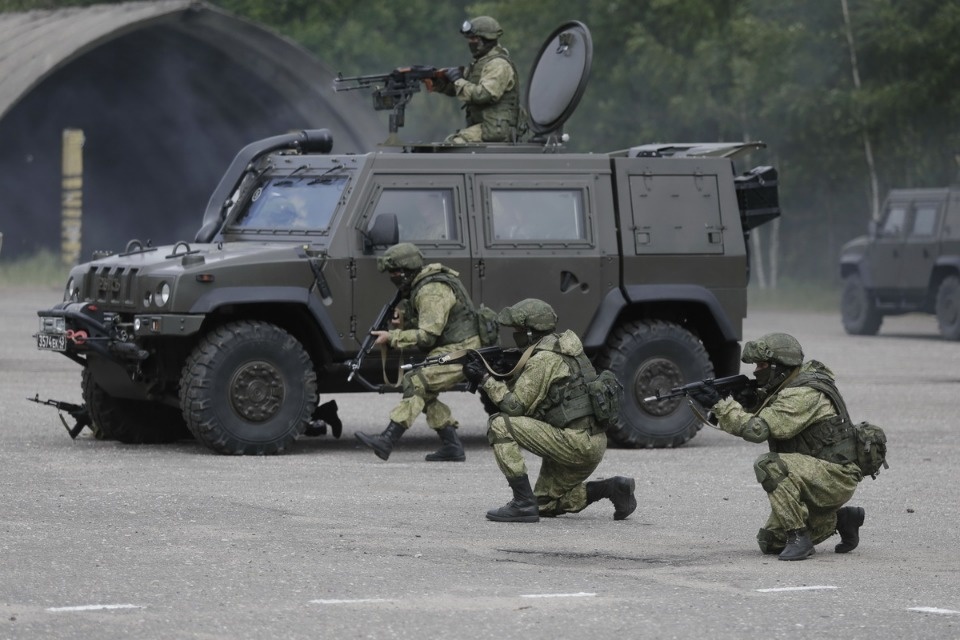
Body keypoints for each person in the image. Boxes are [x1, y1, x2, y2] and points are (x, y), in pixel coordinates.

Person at [688, 333, 867, 561]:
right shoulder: (787, 385)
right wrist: (750, 401)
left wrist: (720, 405)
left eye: (762, 365)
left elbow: (757, 430)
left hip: (834, 476)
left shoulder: (803, 394)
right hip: (812, 472)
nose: (756, 371)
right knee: (770, 542)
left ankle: (798, 537)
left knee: (769, 465)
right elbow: (771, 414)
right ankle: (843, 520)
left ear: (779, 366)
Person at [462, 298, 636, 523]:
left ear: (530, 331)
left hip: (575, 442)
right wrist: (506, 373)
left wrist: (486, 379)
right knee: (545, 504)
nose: (515, 334)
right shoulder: (564, 348)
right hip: (590, 441)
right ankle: (613, 488)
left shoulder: (543, 359)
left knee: (500, 424)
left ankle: (522, 504)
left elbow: (514, 408)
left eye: (518, 330)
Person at [355, 243, 482, 462]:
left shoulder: (431, 291)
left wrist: (392, 337)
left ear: (407, 270)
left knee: (416, 381)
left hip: (463, 350)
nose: (392, 277)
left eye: (395, 272)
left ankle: (387, 439)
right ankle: (452, 445)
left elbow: (427, 336)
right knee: (425, 391)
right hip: (453, 347)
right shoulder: (420, 286)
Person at [432, 16, 521, 144]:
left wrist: (458, 80)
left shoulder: (498, 64)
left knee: (453, 144)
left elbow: (483, 94)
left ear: (486, 40)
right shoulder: (480, 63)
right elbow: (464, 89)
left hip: (496, 130)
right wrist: (439, 83)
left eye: (474, 39)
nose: (470, 42)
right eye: (469, 39)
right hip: (486, 127)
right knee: (451, 143)